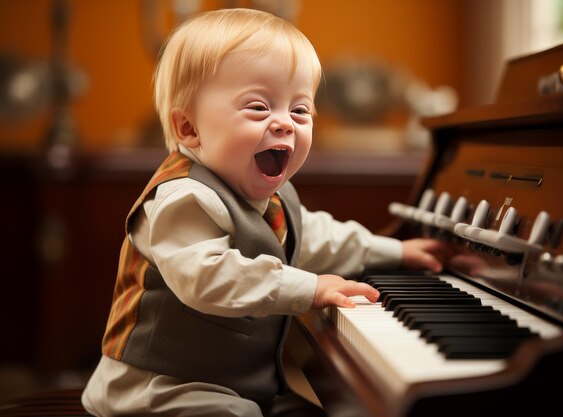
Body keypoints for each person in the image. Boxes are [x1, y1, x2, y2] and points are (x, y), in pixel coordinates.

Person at [81, 8, 449, 417]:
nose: (285, 124)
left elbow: (316, 235)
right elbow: (207, 276)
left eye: (300, 110)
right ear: (189, 129)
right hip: (158, 387)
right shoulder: (182, 198)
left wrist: (395, 251)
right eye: (259, 107)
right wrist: (309, 289)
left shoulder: (272, 196)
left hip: (225, 383)